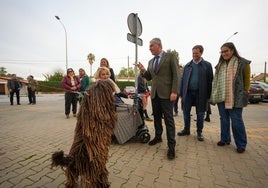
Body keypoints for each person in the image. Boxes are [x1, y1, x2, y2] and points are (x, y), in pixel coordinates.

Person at [51, 80, 117, 188]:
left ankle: (75, 181)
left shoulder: (96, 103)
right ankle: (89, 182)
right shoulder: (92, 102)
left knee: (88, 160)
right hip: (90, 145)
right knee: (93, 161)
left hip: (91, 143)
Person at [136, 38, 180, 160]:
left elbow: (176, 75)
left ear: (159, 45)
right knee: (156, 118)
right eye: (149, 46)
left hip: (167, 94)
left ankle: (171, 147)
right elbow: (149, 77)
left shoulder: (170, 57)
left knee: (169, 120)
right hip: (155, 94)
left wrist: (174, 91)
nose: (149, 48)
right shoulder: (151, 61)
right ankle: (158, 137)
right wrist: (142, 70)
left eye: (151, 46)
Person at [210, 42, 251, 153]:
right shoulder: (219, 65)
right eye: (222, 52)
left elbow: (247, 81)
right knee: (223, 119)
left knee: (236, 120)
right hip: (221, 96)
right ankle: (225, 139)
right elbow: (215, 81)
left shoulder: (243, 63)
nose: (224, 54)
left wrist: (245, 91)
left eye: (226, 51)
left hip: (236, 97)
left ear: (232, 50)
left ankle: (241, 144)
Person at [177, 45, 213, 142]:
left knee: (200, 113)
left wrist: (209, 96)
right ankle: (186, 129)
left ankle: (199, 132)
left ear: (201, 53)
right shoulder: (188, 65)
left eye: (196, 53)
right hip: (188, 93)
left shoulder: (207, 65)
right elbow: (183, 80)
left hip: (201, 93)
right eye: (193, 53)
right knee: (185, 112)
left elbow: (210, 81)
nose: (194, 55)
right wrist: (181, 93)